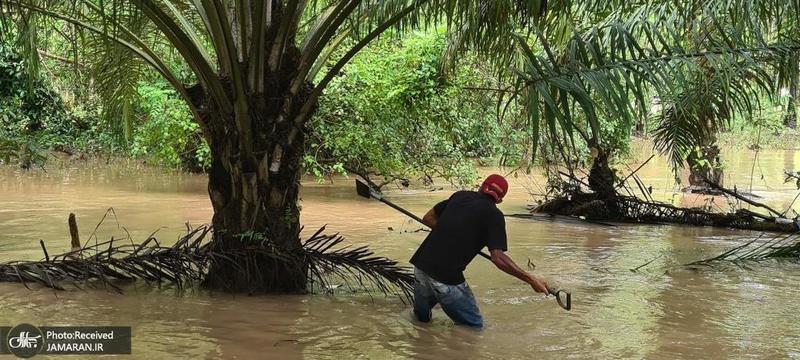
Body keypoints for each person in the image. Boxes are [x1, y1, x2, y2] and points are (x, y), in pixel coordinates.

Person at [409, 174, 549, 328]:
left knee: (421, 320)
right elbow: (498, 258)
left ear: (482, 187)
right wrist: (531, 280)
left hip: (421, 265)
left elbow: (428, 218)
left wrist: (450, 235)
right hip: (446, 277)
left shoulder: (460, 196)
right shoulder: (494, 216)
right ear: (500, 200)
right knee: (473, 328)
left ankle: (419, 346)